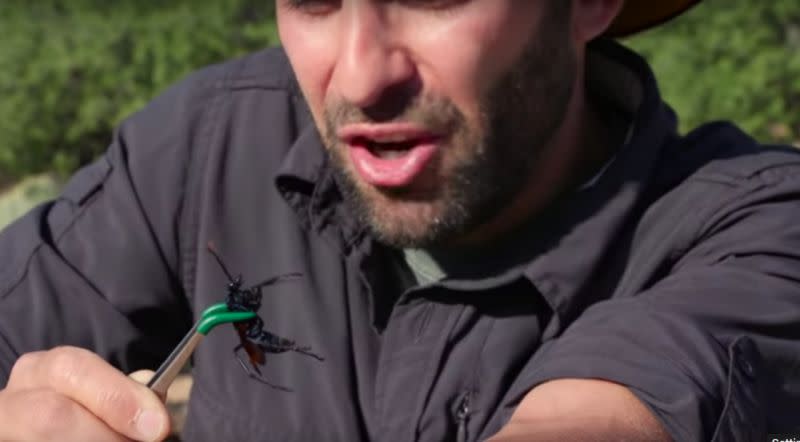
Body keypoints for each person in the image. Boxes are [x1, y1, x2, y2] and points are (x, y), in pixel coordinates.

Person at [0, 0, 798, 440]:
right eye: (313, 0)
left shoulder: (754, 222)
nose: (361, 74)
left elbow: (607, 414)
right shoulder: (210, 144)